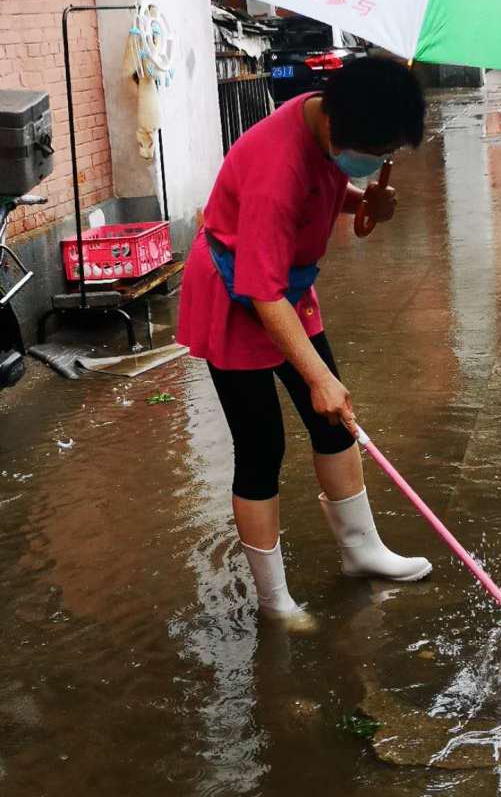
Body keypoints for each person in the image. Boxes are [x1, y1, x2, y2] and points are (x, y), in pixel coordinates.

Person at [177, 57, 431, 629]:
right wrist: (318, 377)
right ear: (342, 130)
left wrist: (359, 198)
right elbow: (262, 294)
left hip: (284, 285)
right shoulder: (276, 169)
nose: (379, 161)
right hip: (237, 296)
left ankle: (361, 550)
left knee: (333, 422)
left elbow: (324, 183)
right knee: (262, 446)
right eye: (376, 151)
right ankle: (275, 601)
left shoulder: (328, 116)